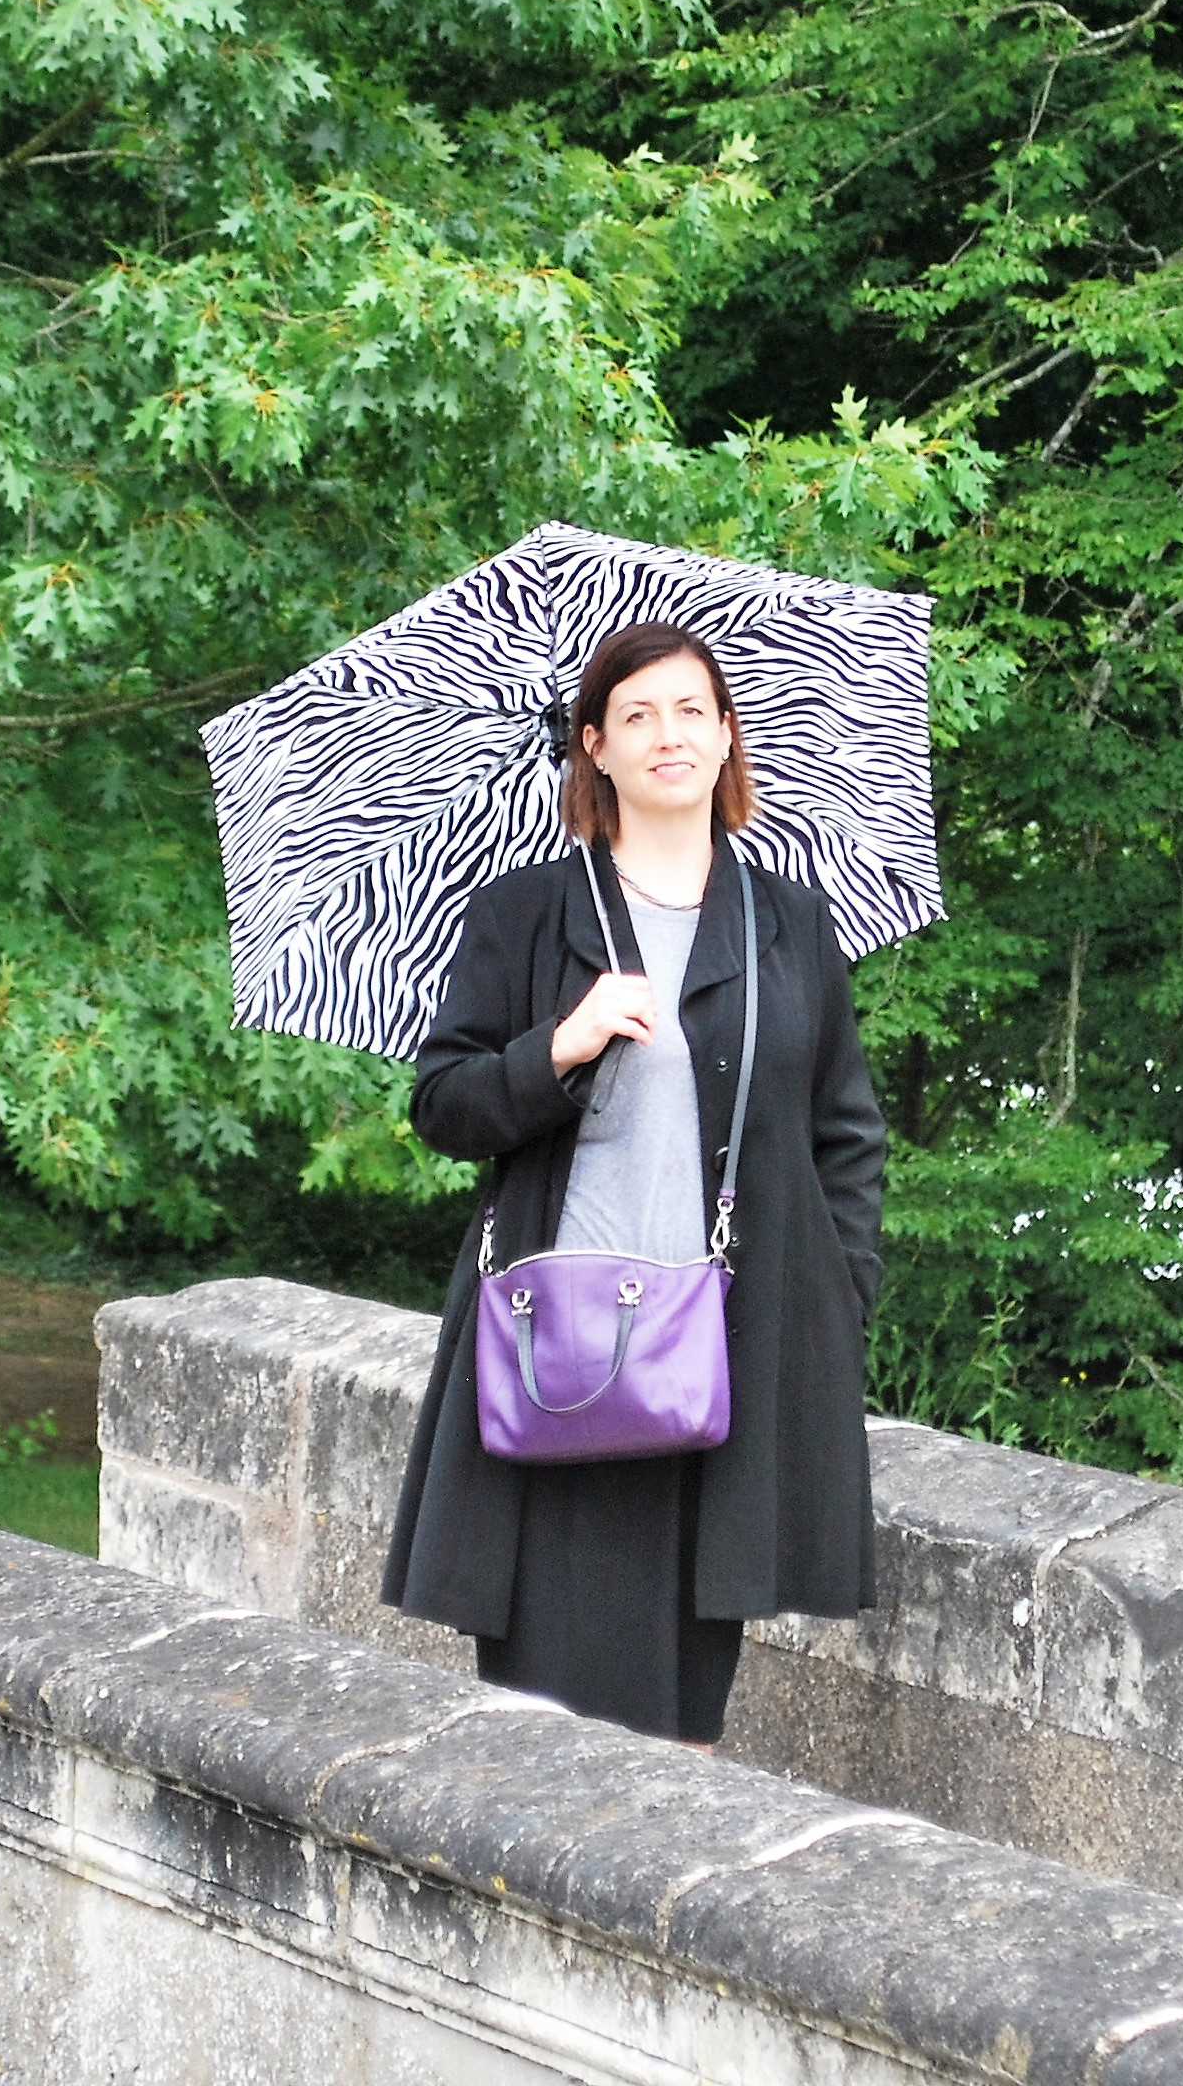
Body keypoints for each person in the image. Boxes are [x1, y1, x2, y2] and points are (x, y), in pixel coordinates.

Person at [379, 620, 889, 1746]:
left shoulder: (788, 925)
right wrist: (557, 1048)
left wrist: (837, 1300)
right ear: (594, 747)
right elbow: (445, 1106)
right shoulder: (525, 914)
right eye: (638, 715)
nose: (670, 735)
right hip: (558, 1347)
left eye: (692, 711)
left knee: (688, 1726)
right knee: (548, 1729)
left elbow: (845, 1134)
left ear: (726, 738)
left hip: (725, 1354)